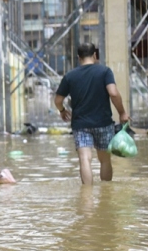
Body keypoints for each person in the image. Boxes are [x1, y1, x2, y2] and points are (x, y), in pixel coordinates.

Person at [55, 42, 130, 185]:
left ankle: (87, 195)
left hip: (80, 125)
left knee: (84, 159)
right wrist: (122, 113)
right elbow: (113, 93)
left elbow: (58, 100)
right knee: (105, 160)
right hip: (103, 123)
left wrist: (62, 110)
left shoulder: (70, 76)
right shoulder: (105, 71)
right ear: (95, 55)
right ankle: (106, 193)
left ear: (78, 57)